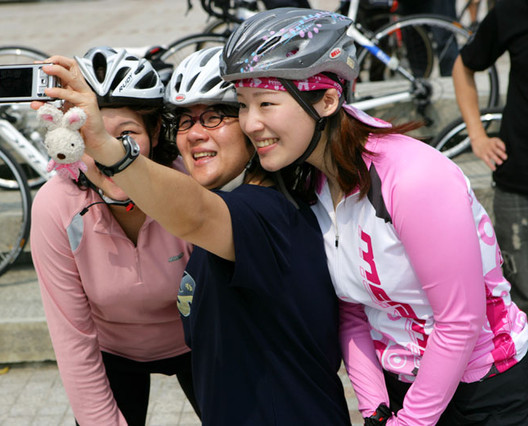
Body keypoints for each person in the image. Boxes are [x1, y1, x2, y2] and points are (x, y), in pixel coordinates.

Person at [220, 7, 528, 425]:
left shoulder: (413, 178)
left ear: (328, 101)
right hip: (403, 387)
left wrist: (410, 421)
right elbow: (353, 310)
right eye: (242, 105)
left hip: (487, 388)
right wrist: (376, 410)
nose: (250, 123)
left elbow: (460, 321)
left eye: (267, 103)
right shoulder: (311, 181)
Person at [34, 46, 352, 425]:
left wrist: (108, 149)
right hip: (127, 352)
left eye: (215, 116)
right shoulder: (60, 202)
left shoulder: (239, 205)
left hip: (222, 368)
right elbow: (72, 338)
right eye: (185, 121)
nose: (197, 133)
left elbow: (197, 214)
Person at [29, 47, 199, 426]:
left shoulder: (188, 184)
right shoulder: (55, 205)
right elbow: (72, 339)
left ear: (156, 131)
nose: (110, 154)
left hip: (202, 341)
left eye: (127, 134)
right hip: (112, 351)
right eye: (93, 137)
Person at [452, 0, 528, 314]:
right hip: (519, 184)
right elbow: (463, 66)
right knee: (522, 298)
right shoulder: (514, 9)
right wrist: (477, 135)